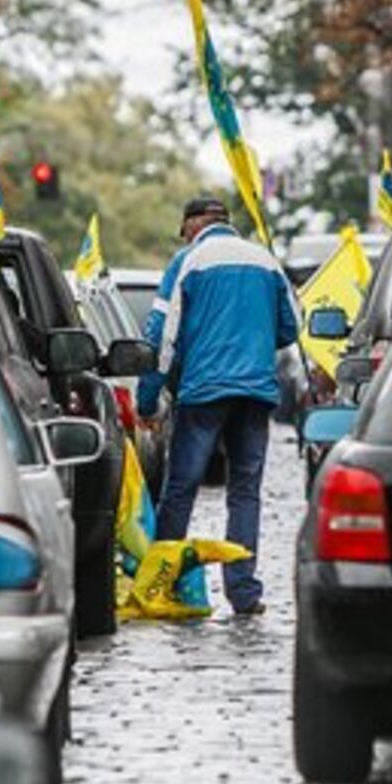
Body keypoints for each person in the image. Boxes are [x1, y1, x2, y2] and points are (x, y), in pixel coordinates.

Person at [138, 198, 299, 616]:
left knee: (181, 488)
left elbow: (161, 337)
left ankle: (164, 584)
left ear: (193, 224)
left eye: (184, 230)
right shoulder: (266, 261)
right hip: (256, 393)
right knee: (245, 492)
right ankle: (244, 593)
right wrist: (251, 345)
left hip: (203, 392)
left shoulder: (188, 262)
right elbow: (289, 328)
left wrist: (148, 397)